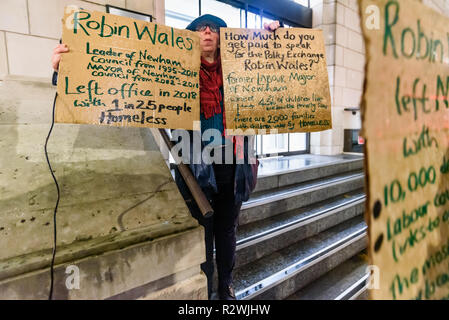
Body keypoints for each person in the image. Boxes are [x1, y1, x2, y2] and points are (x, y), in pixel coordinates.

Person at [51, 14, 280, 300]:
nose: (207, 32)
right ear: (191, 37)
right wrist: (67, 68)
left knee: (227, 232)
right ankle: (207, 289)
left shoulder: (241, 70)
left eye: (213, 28)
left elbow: (274, 74)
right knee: (201, 234)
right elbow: (118, 80)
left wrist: (274, 37)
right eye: (199, 28)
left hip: (235, 166)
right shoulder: (174, 73)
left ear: (223, 37)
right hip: (194, 166)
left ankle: (225, 287)